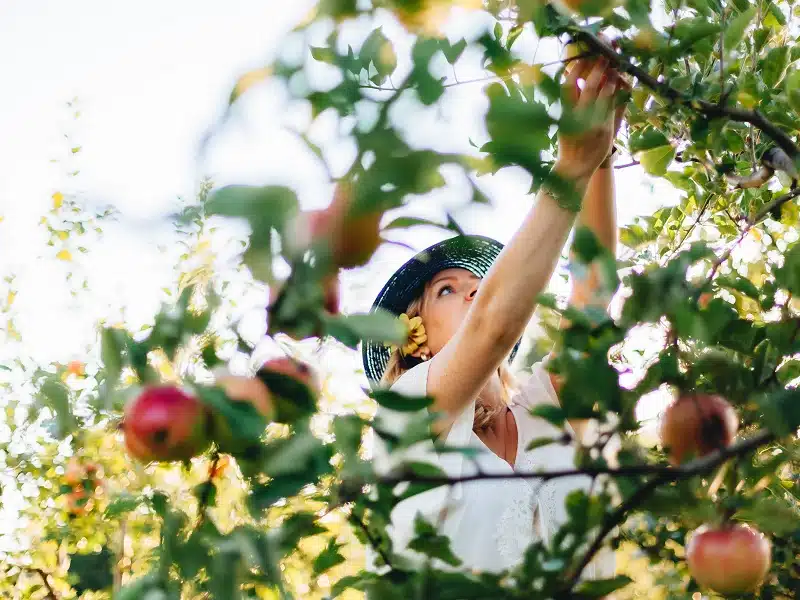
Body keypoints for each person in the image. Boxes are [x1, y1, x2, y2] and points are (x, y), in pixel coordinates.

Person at [361, 57, 626, 578]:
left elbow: (593, 296)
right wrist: (569, 167)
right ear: (415, 339)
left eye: (478, 284)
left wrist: (601, 153)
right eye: (447, 290)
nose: (474, 292)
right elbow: (492, 324)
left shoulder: (543, 408)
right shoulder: (406, 413)